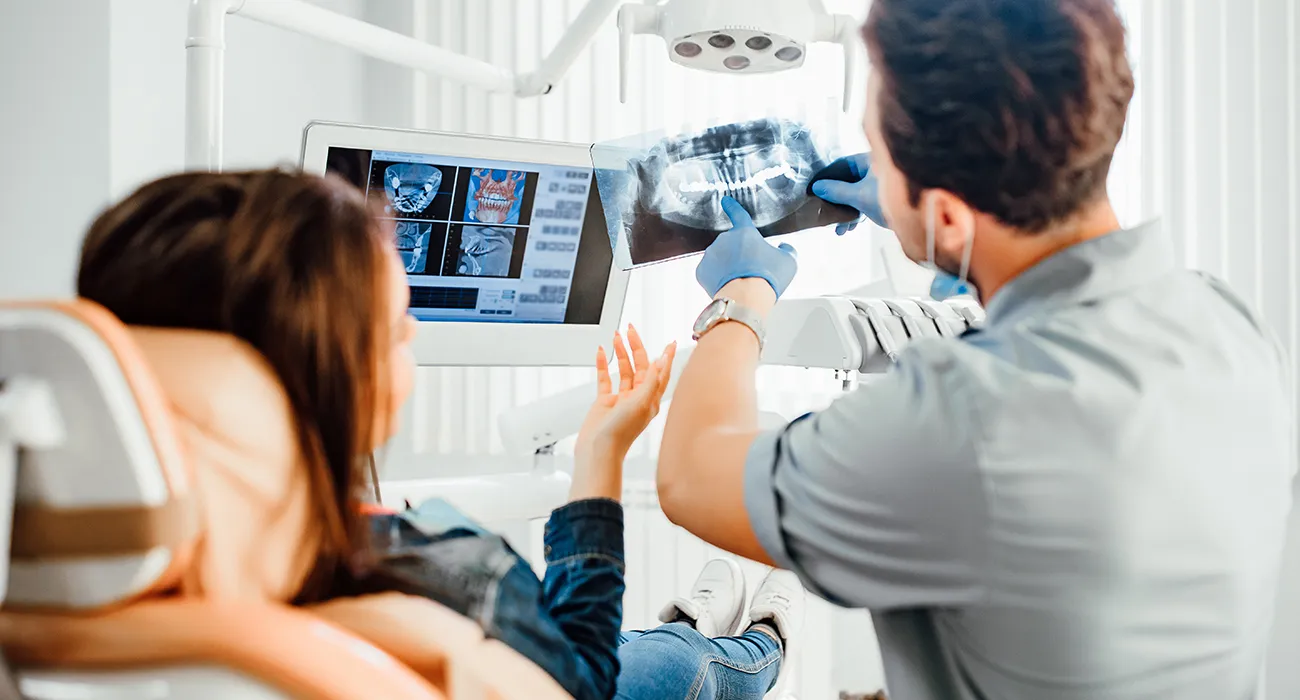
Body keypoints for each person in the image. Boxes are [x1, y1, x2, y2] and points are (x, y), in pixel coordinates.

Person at [656, 1, 1296, 699]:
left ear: (950, 213)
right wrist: (940, 230)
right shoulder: (1229, 325)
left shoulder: (961, 426)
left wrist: (741, 300)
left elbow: (692, 476)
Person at [73, 168, 803, 700]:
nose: (413, 333)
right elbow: (582, 675)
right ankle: (765, 638)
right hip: (570, 662)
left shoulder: (90, 580)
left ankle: (700, 615)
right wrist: (604, 452)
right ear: (327, 378)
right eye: (394, 328)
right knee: (678, 663)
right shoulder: (447, 585)